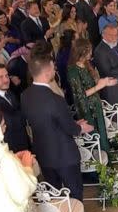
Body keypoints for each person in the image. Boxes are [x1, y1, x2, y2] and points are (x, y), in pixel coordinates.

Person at [21, 56, 94, 201]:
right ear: (47, 72)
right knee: (74, 192)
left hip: (43, 153)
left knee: (55, 193)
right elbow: (70, 129)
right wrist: (80, 128)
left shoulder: (25, 95)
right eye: (53, 68)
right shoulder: (55, 99)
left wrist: (73, 124)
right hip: (64, 155)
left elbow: (47, 121)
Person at [69, 38, 117, 152]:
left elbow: (93, 84)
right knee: (94, 135)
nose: (91, 53)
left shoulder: (86, 65)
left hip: (95, 104)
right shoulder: (73, 71)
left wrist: (105, 82)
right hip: (86, 109)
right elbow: (81, 95)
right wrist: (100, 86)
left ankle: (105, 157)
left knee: (101, 130)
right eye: (89, 51)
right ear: (82, 52)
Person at [0, 63, 30, 152]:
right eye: (0, 77)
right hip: (13, 151)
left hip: (23, 145)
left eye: (7, 75)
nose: (6, 80)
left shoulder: (7, 92)